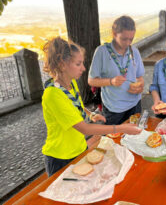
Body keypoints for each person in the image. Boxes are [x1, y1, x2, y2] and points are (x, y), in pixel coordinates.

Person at [42, 37, 141, 176]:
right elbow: (84, 128)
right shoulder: (53, 94)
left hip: (77, 150)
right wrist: (121, 128)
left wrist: (90, 114)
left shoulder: (70, 83)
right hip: (61, 158)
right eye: (78, 64)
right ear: (62, 64)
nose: (83, 68)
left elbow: (76, 106)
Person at [88, 16, 145, 125]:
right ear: (114, 34)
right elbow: (91, 80)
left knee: (134, 137)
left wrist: (140, 86)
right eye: (124, 39)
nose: (128, 43)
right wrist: (111, 82)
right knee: (112, 139)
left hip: (135, 105)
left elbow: (139, 77)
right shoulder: (101, 52)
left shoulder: (134, 51)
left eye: (131, 39)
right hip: (113, 109)